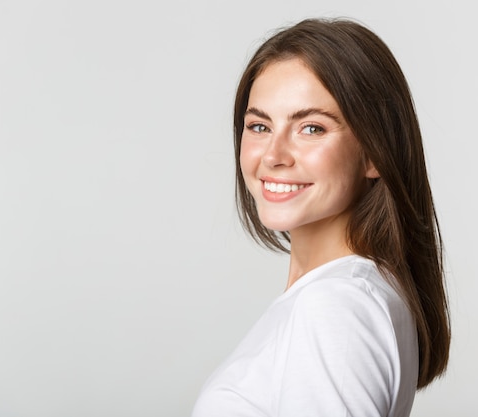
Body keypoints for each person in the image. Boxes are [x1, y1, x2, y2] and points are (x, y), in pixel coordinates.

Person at [192, 18, 450, 417]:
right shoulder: (340, 295)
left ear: (374, 152)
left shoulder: (335, 307)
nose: (274, 155)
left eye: (311, 128)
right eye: (259, 125)